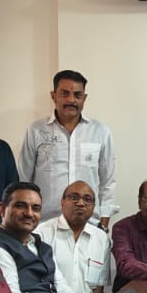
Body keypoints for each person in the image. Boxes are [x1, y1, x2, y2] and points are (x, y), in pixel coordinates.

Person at [18, 69, 117, 228]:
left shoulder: (100, 132)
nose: (71, 100)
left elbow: (107, 182)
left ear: (84, 98)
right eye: (64, 94)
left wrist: (103, 223)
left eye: (77, 95)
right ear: (53, 96)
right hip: (45, 224)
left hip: (89, 224)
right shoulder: (36, 130)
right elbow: (23, 180)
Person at [0, 182, 67, 293]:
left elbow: (62, 286)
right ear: (2, 209)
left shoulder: (43, 247)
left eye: (36, 208)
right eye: (21, 206)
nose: (29, 213)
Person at [36, 179, 115, 293]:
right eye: (74, 197)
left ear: (94, 206)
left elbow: (98, 288)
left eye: (87, 199)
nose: (81, 203)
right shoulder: (42, 233)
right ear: (62, 202)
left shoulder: (102, 239)